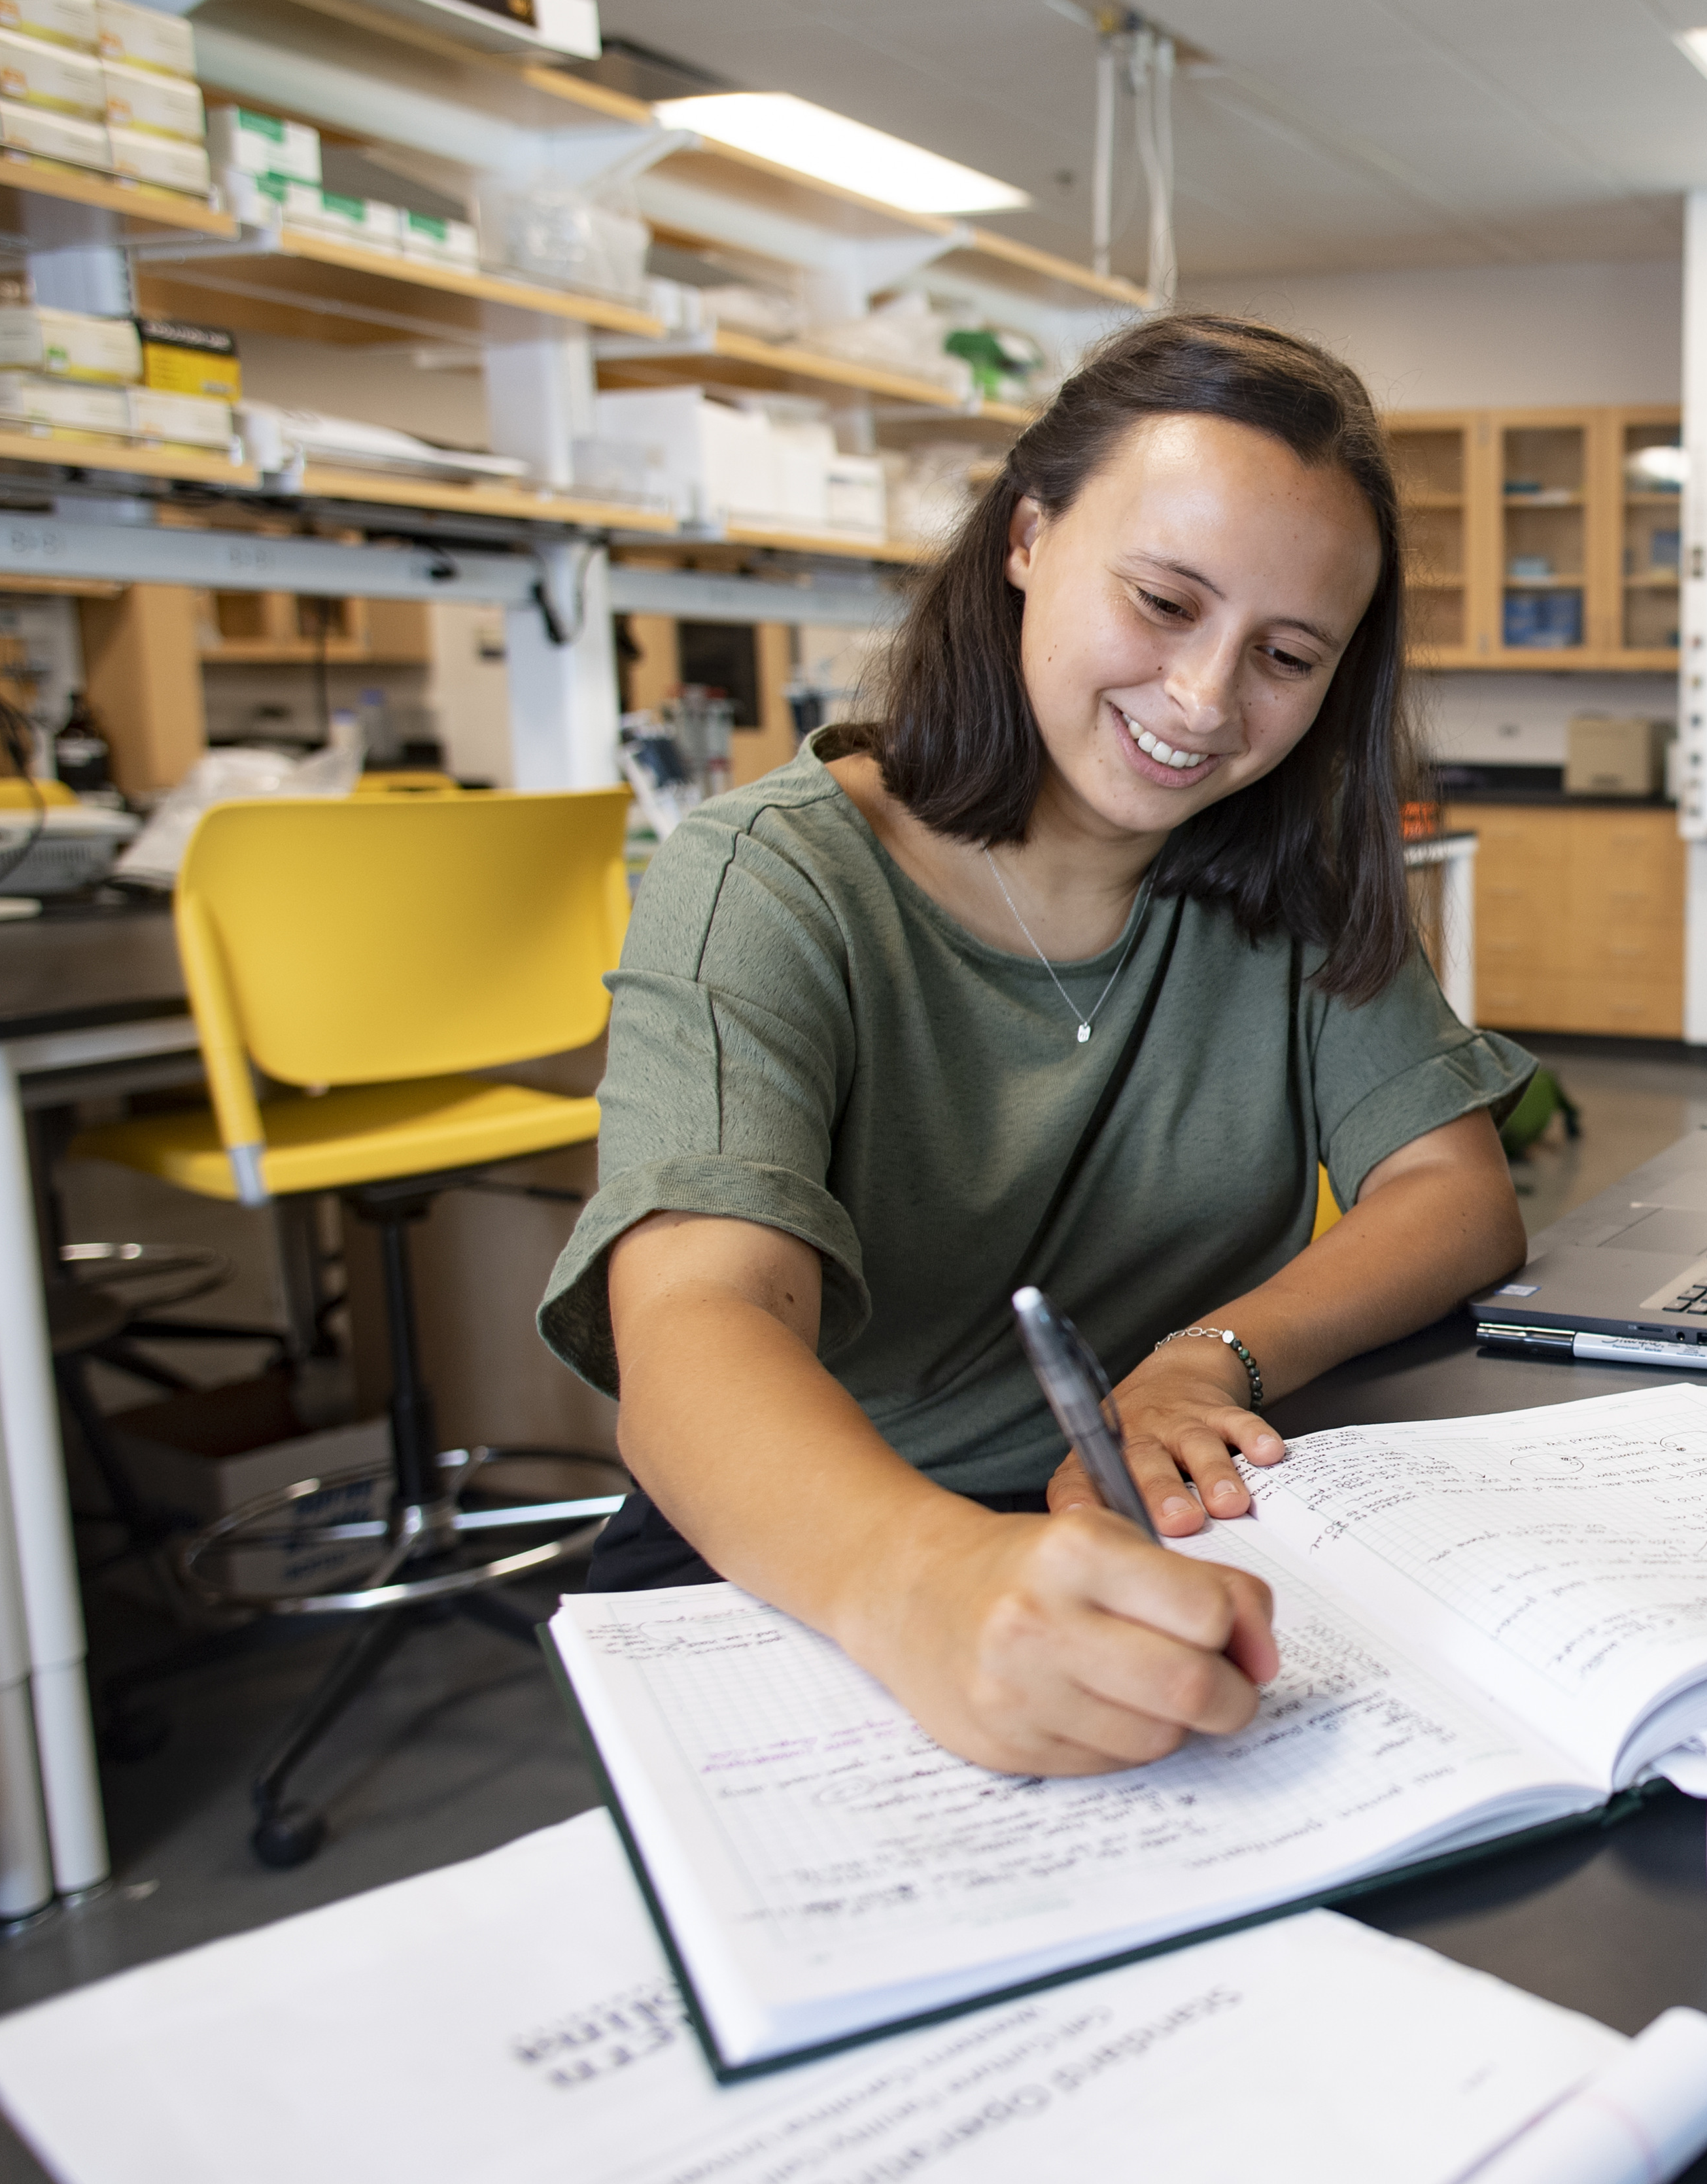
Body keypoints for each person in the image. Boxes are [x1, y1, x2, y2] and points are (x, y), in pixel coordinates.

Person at [539, 315, 1533, 1780]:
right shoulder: (771, 877)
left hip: (1153, 1517)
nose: (1203, 700)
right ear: (1026, 536)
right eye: (1162, 600)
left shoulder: (1285, 875)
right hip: (838, 1555)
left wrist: (1203, 1361)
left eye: (1284, 653)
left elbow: (1452, 1192)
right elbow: (696, 1312)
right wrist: (924, 1579)